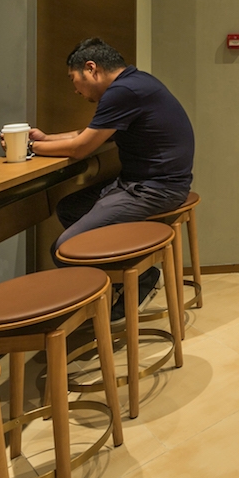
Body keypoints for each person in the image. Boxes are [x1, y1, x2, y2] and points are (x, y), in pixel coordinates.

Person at [31, 38, 194, 306]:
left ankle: (136, 284)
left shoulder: (123, 91)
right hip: (146, 183)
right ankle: (132, 277)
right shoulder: (135, 82)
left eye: (73, 79)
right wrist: (46, 139)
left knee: (63, 249)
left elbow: (80, 148)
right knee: (69, 209)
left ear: (91, 68)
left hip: (156, 189)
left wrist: (30, 148)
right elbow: (89, 134)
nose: (75, 90)